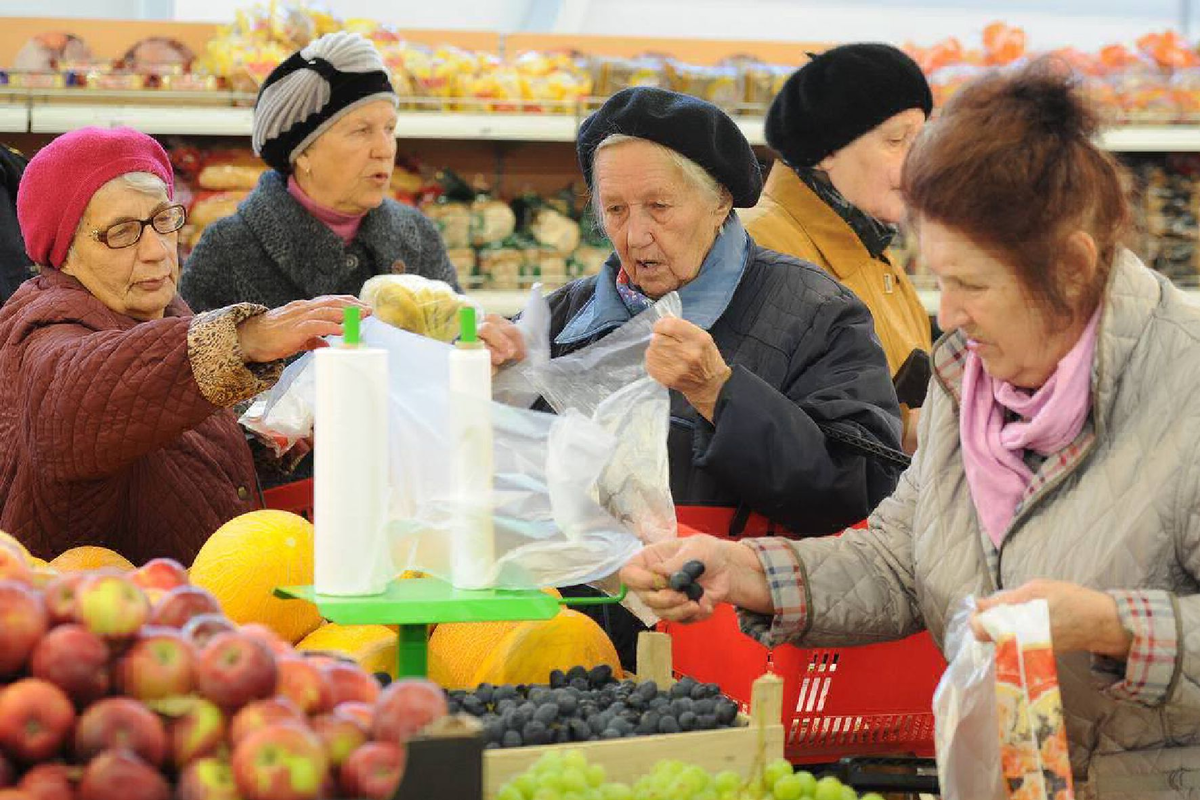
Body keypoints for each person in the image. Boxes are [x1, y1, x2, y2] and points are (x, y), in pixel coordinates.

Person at [622, 62, 1200, 797]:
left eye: (973, 284)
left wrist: (1111, 627)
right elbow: (900, 560)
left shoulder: (1185, 387)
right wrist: (746, 573)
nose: (948, 315)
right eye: (938, 279)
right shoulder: (976, 384)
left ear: (1072, 266)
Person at [481, 87, 905, 666]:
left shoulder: (816, 311)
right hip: (567, 653)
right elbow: (501, 498)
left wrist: (721, 393)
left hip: (735, 652)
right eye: (615, 209)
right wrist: (486, 388)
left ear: (721, 200)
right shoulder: (555, 321)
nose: (634, 235)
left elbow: (855, 489)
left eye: (659, 206)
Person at [0, 127, 368, 565]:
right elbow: (71, 404)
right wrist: (244, 338)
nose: (157, 250)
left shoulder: (162, 311)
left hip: (207, 615)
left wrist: (261, 442)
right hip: (118, 624)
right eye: (122, 232)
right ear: (63, 252)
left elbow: (149, 452)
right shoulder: (44, 326)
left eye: (162, 220)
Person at [741, 44, 934, 452]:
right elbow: (768, 424)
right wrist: (925, 428)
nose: (918, 162)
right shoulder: (760, 249)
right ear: (827, 150)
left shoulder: (873, 254)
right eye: (897, 140)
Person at [181, 31, 458, 314]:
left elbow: (454, 339)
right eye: (362, 131)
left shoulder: (417, 235)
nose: (385, 150)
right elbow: (192, 350)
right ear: (303, 153)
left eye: (389, 129)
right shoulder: (227, 251)